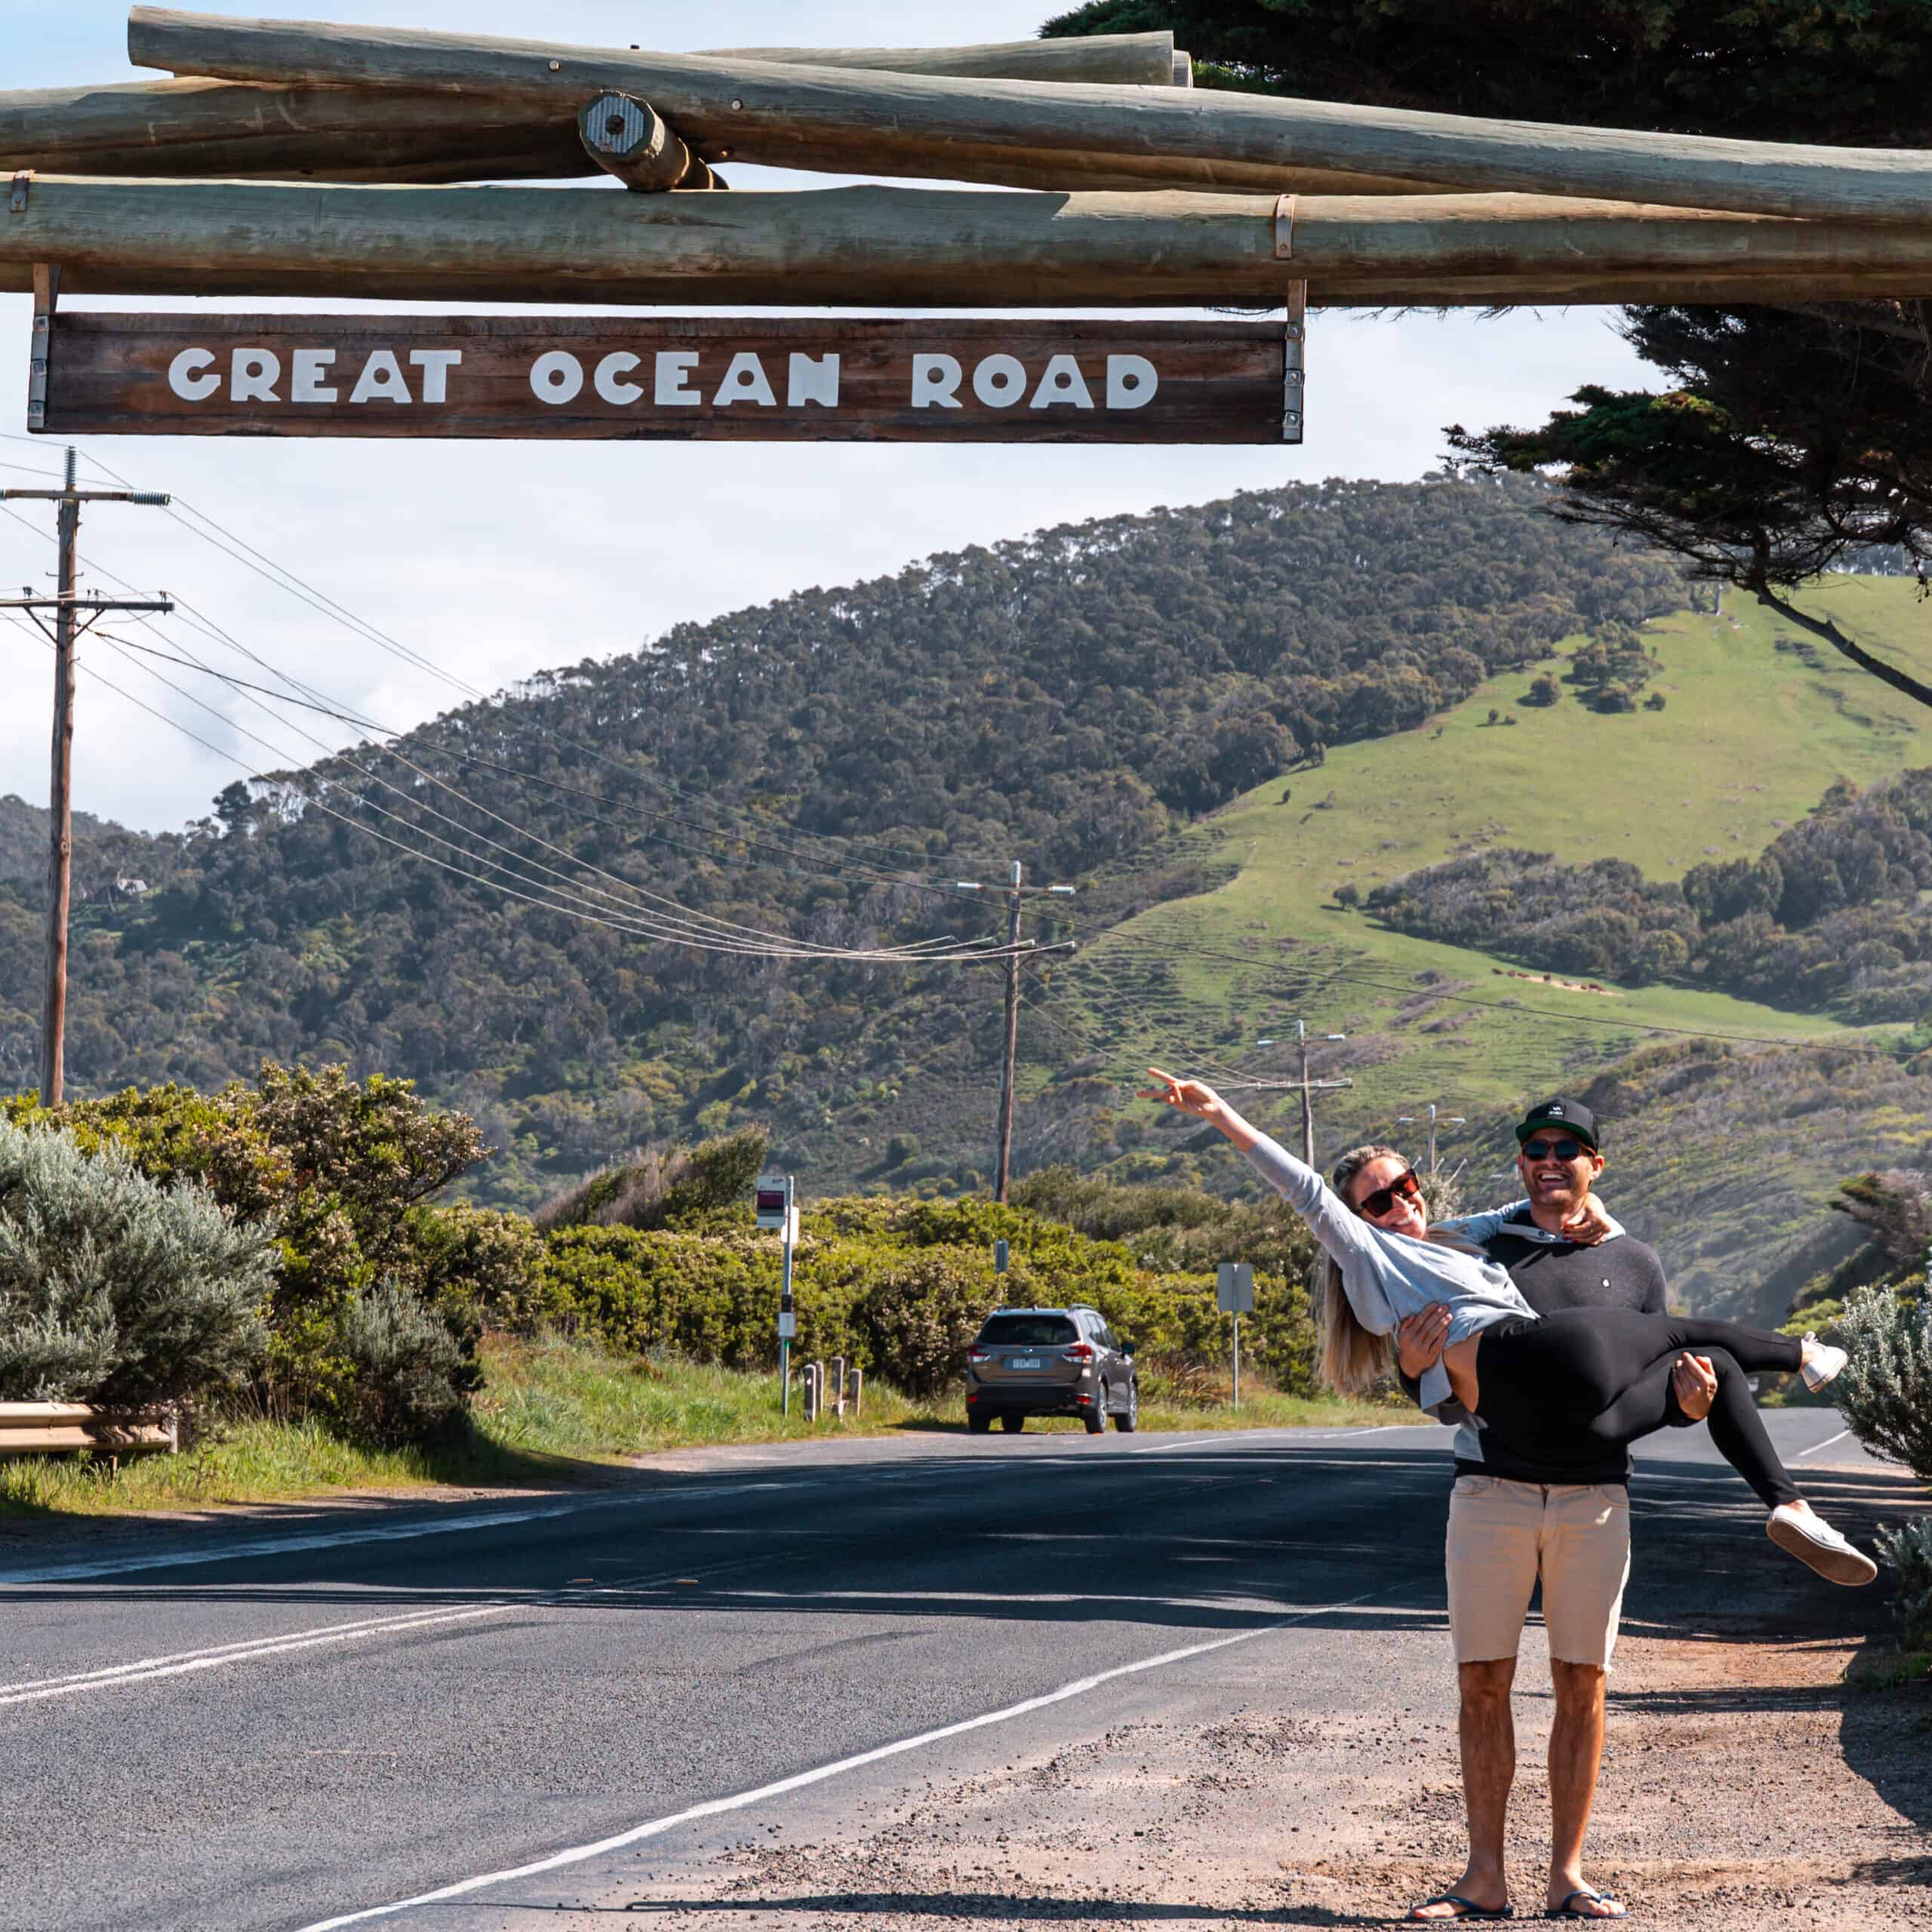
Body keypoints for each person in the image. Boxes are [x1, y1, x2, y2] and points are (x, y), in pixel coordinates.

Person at [1392, 1098, 1700, 1923]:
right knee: (1482, 1682)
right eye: (1536, 1147)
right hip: (1486, 1489)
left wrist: (1685, 1407)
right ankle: (1482, 1877)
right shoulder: (1475, 1249)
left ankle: (1568, 1873)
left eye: (1569, 1148)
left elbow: (1645, 1387)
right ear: (1521, 1161)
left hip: (1595, 1496)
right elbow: (1437, 1386)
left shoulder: (1635, 1263)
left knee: (1582, 1682)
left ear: (1597, 1162)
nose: (1550, 1159)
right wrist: (1409, 1367)